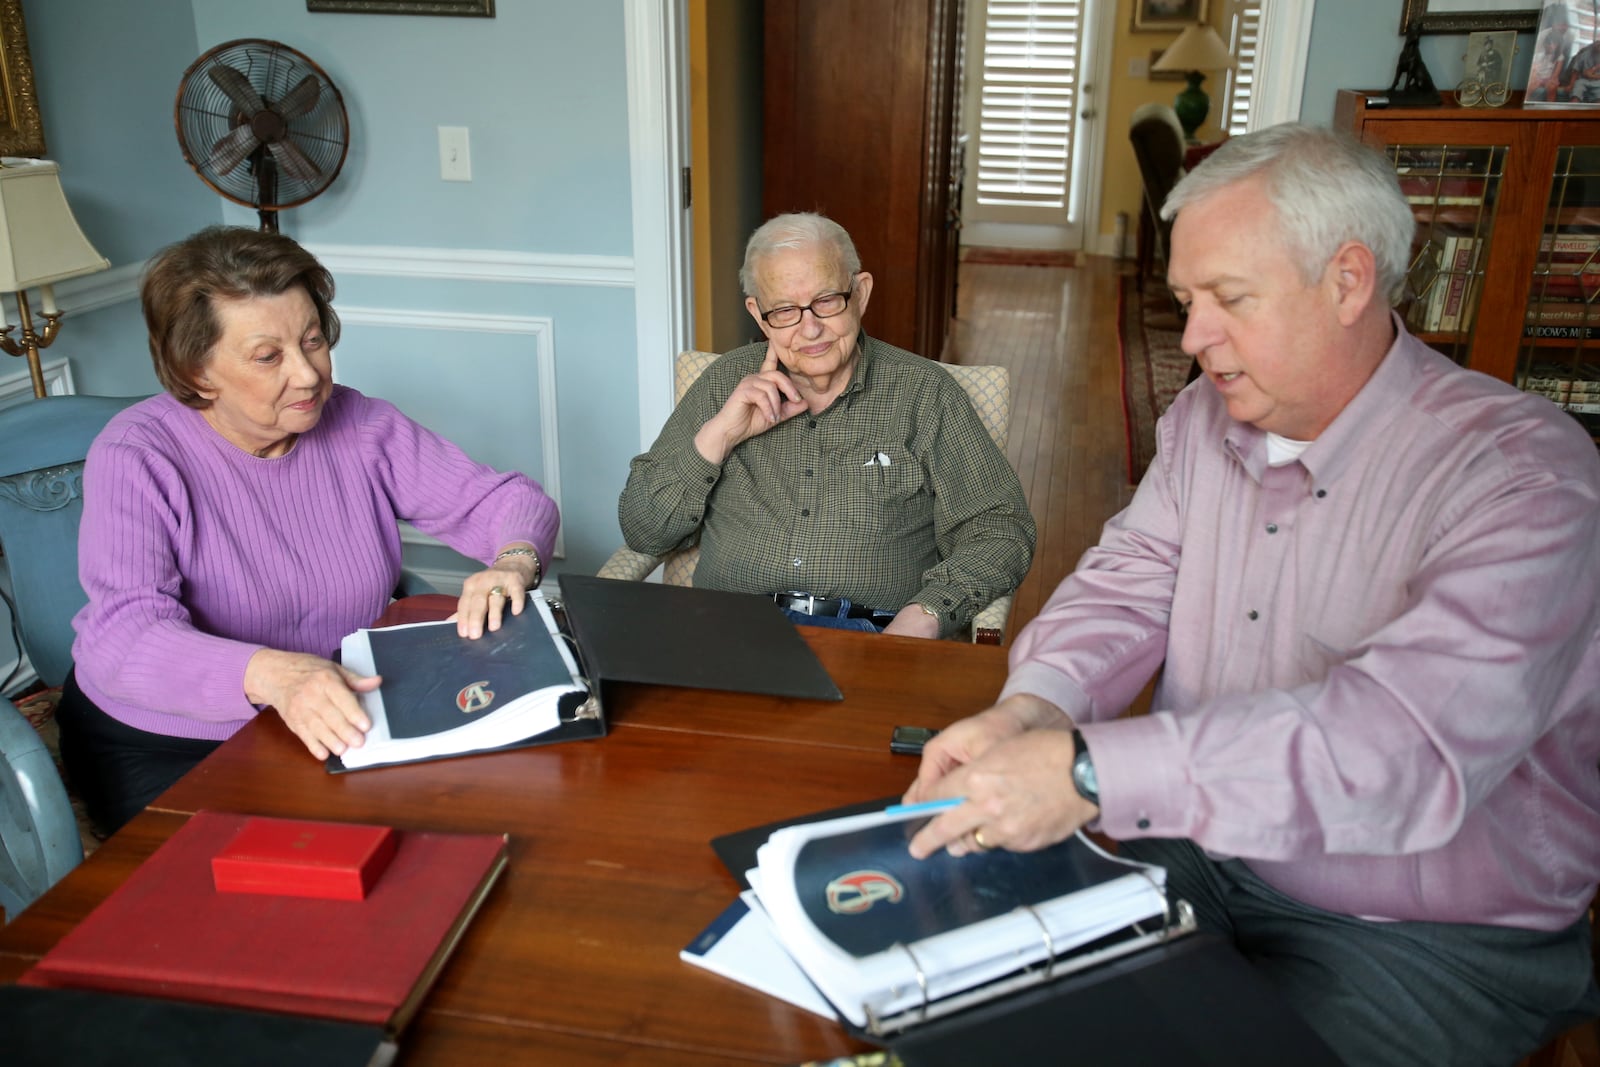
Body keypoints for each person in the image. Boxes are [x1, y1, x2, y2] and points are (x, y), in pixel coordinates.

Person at [903, 124, 1600, 1065]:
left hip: (1425, 928)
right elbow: (1127, 582)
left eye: (1229, 299)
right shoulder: (1203, 416)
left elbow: (1398, 746)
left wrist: (1088, 772)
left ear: (1348, 281)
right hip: (1202, 845)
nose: (1194, 338)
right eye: (1187, 300)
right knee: (950, 996)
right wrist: (1035, 707)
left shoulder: (1526, 477)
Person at [60, 226, 560, 834]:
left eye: (313, 341)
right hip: (166, 736)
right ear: (197, 372)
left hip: (326, 706)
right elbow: (124, 636)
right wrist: (276, 675)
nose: (308, 375)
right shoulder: (138, 453)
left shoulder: (361, 425)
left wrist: (513, 561)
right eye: (268, 356)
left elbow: (505, 500)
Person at [617, 212, 1035, 638]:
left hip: (875, 636)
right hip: (728, 630)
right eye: (784, 310)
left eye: (826, 300)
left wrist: (926, 614)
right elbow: (643, 531)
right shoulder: (724, 385)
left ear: (860, 294)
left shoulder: (926, 394)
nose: (810, 328)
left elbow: (1001, 528)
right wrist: (718, 436)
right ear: (760, 316)